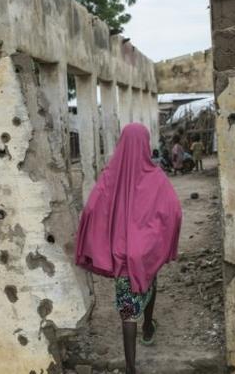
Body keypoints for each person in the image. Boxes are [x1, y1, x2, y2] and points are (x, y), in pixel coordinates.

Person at [76, 124, 183, 374]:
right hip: (146, 254)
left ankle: (131, 368)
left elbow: (91, 208)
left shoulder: (110, 175)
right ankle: (148, 327)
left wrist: (101, 236)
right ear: (146, 144)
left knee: (127, 311)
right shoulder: (156, 176)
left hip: (122, 255)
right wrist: (159, 238)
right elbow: (175, 212)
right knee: (150, 283)